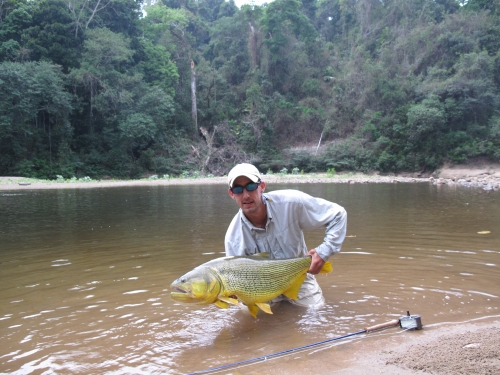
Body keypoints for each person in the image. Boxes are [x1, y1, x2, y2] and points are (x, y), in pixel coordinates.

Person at [224, 163, 347, 308]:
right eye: (238, 189)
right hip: (262, 289)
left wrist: (323, 252)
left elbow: (338, 215)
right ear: (232, 194)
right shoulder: (233, 239)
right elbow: (236, 279)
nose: (246, 195)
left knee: (316, 313)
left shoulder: (291, 203)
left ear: (262, 186)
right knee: (249, 319)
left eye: (251, 186)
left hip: (299, 277)